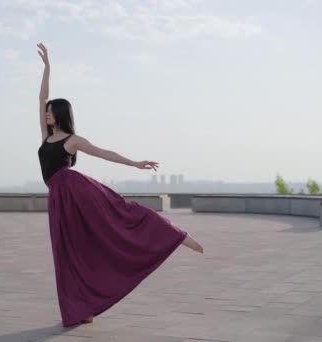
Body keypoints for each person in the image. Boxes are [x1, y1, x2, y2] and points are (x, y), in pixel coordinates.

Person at [36, 43, 204, 327]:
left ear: (61, 114)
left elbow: (104, 153)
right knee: (69, 253)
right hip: (57, 198)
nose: (47, 113)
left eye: (51, 111)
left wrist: (136, 164)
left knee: (122, 215)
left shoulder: (72, 140)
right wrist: (48, 69)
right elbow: (40, 98)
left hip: (75, 192)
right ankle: (83, 308)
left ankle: (174, 235)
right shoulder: (45, 135)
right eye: (47, 111)